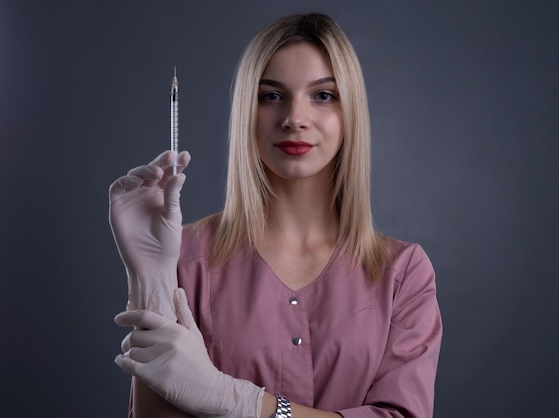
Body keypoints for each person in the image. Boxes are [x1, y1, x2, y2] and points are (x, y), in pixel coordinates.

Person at [109, 13, 442, 418]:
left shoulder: (402, 274)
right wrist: (151, 278)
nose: (294, 119)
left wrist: (241, 402)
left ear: (350, 111)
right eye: (271, 96)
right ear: (247, 111)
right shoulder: (186, 258)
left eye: (323, 95)